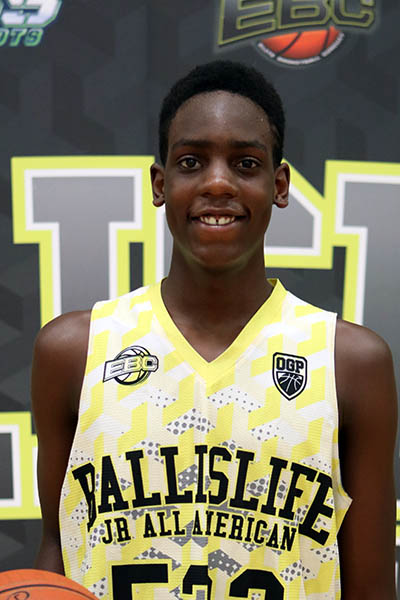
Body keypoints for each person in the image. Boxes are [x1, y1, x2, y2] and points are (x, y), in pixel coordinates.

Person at [32, 61, 397, 599]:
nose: (218, 182)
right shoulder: (74, 351)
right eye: (191, 162)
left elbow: (372, 590)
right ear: (161, 184)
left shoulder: (349, 362)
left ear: (279, 186)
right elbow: (58, 548)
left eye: (245, 163)